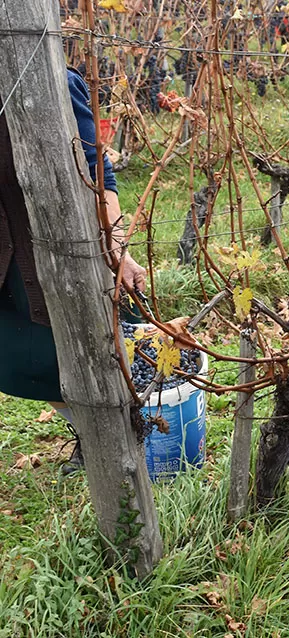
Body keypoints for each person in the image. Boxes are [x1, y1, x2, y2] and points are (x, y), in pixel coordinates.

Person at [0, 68, 147, 472]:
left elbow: (97, 166)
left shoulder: (51, 78)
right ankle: (92, 433)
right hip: (4, 251)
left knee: (95, 352)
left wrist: (115, 245)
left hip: (61, 250)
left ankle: (122, 442)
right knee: (18, 361)